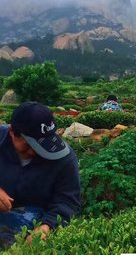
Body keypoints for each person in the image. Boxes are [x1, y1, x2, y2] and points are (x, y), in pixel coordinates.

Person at [0, 102, 81, 249]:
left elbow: (68, 201)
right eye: (29, 145)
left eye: (43, 145)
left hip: (34, 217)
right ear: (12, 132)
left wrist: (47, 226)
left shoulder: (64, 159)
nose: (35, 152)